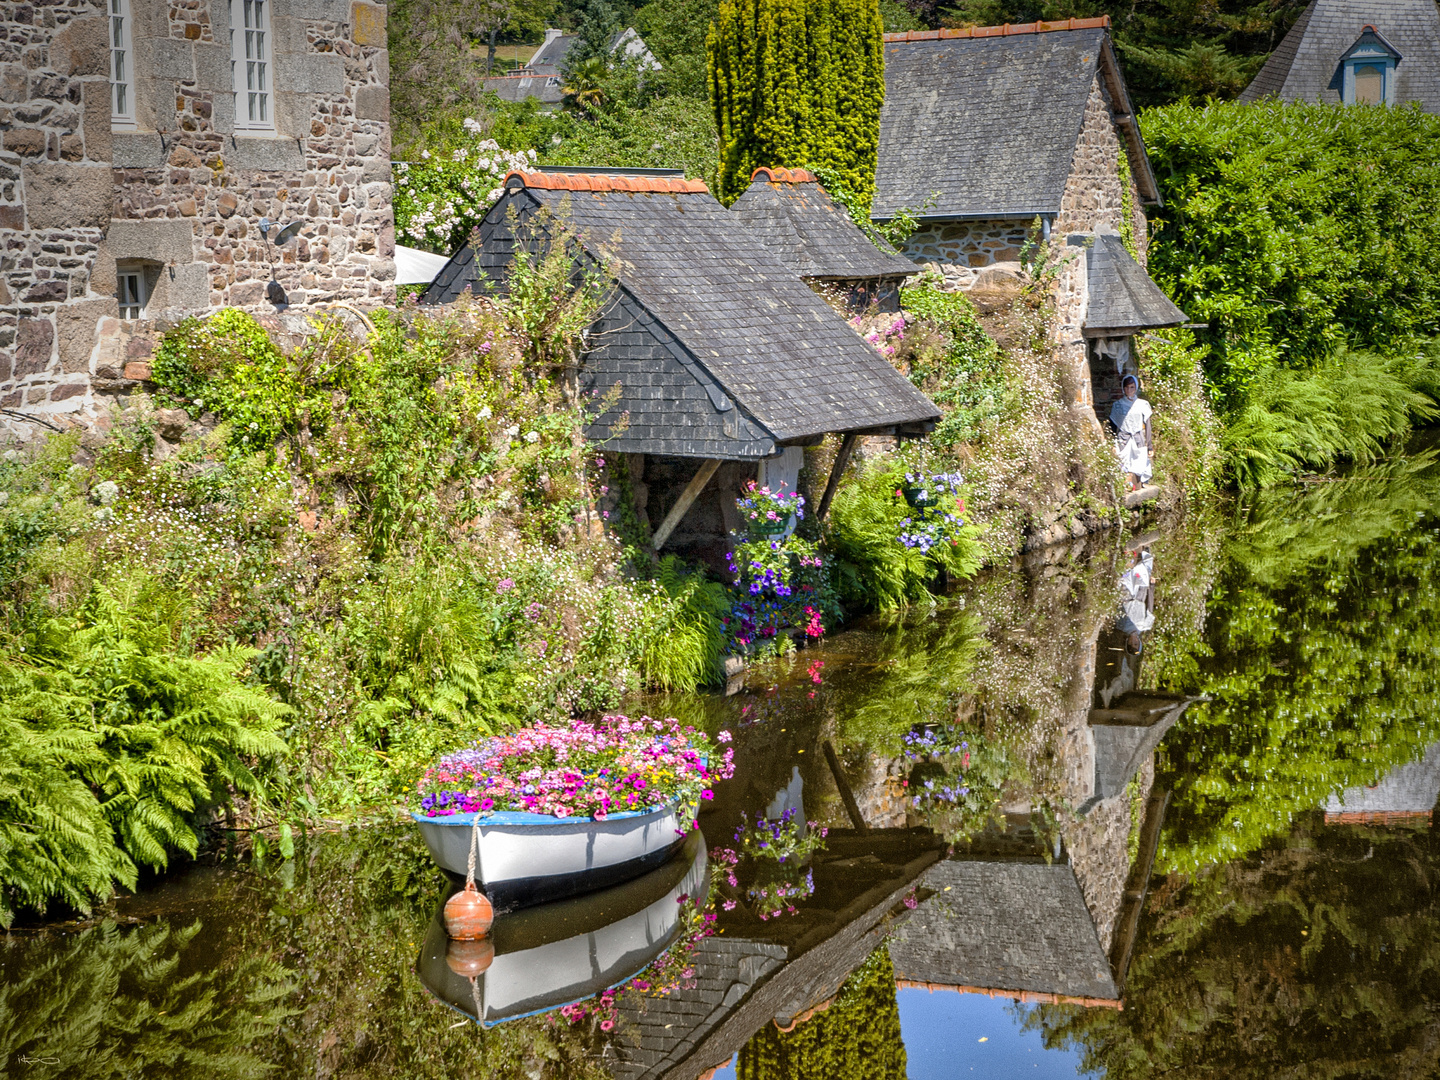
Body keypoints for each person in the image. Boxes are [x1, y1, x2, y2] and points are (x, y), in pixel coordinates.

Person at [1109, 374, 1152, 490]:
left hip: (1138, 438)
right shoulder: (1118, 405)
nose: (1129, 390)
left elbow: (1148, 425)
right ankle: (1124, 488)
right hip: (1124, 438)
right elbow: (1113, 424)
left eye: (1132, 387)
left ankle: (1137, 487)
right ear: (1123, 389)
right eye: (1127, 387)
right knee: (1123, 464)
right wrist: (1113, 442)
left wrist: (1150, 446)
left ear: (1136, 388)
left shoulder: (1142, 404)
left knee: (1139, 464)